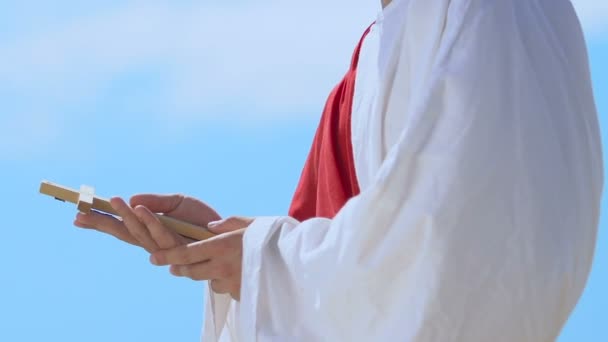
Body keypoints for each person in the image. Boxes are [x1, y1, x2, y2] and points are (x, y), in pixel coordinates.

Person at [74, 0, 604, 340]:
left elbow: (471, 260)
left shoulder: (495, 15)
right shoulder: (358, 79)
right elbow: (329, 259)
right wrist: (231, 257)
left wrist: (265, 264)